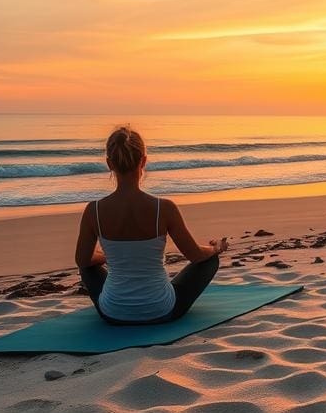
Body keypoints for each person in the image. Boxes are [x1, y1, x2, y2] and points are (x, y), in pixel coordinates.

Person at [75, 125, 227, 324]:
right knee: (210, 260)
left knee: (86, 267)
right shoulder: (163, 208)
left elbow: (82, 260)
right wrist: (215, 248)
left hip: (112, 313)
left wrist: (111, 256)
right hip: (161, 310)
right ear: (144, 161)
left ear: (109, 164)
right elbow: (196, 256)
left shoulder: (93, 210)